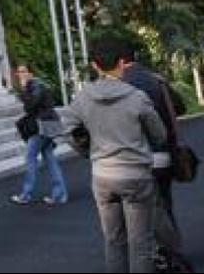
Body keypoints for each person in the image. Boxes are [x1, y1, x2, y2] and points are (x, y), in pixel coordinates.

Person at [59, 37, 167, 274]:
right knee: (141, 244)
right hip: (136, 175)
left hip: (103, 175)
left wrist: (86, 151)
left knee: (113, 241)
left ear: (95, 66)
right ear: (121, 63)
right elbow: (159, 135)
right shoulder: (137, 97)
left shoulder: (82, 98)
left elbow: (67, 130)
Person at [119, 43, 190, 272]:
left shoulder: (119, 85)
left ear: (120, 61)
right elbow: (180, 107)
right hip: (165, 154)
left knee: (138, 211)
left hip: (135, 156)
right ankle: (173, 255)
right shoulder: (156, 79)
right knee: (164, 204)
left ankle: (159, 256)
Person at [11, 63, 68, 206]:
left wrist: (23, 89)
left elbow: (30, 106)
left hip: (42, 126)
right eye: (19, 72)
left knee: (30, 158)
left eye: (23, 71)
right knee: (49, 158)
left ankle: (26, 194)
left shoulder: (36, 85)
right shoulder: (37, 84)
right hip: (48, 125)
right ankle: (59, 194)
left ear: (30, 73)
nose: (20, 74)